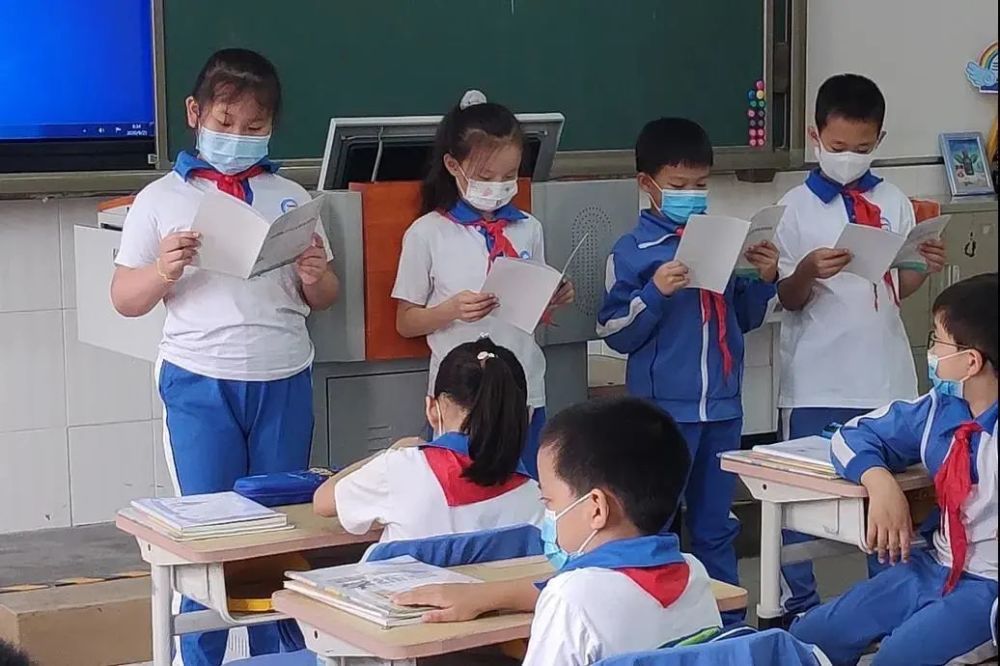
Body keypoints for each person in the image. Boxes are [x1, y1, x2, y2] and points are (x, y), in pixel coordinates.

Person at [111, 48, 338, 665]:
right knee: (209, 534)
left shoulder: (290, 195)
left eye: (255, 127)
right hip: (200, 381)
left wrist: (316, 274)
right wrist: (162, 270)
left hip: (283, 373)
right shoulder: (159, 198)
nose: (239, 137)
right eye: (226, 122)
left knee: (280, 534)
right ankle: (200, 656)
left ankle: (280, 654)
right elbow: (124, 298)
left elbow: (323, 297)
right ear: (195, 113)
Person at [773, 73, 947, 615]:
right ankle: (800, 612)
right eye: (839, 147)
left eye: (864, 148)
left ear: (881, 139)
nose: (850, 157)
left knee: (892, 505)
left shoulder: (893, 198)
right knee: (799, 505)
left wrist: (922, 266)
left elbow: (897, 288)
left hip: (885, 374)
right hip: (816, 376)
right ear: (815, 134)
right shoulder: (794, 206)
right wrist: (804, 270)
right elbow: (787, 297)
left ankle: (889, 608)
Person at [596, 117, 778, 621]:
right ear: (646, 184)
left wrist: (763, 278)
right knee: (655, 523)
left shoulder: (720, 238)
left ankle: (729, 628)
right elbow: (613, 330)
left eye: (701, 185)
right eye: (678, 187)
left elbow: (743, 317)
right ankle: (657, 626)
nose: (692, 195)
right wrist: (655, 292)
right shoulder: (633, 252)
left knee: (716, 525)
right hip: (662, 413)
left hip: (722, 407)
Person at [393, 397, 723, 665]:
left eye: (549, 501)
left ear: (596, 508)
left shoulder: (570, 597)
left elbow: (580, 600)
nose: (548, 514)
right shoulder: (694, 574)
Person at [790, 273, 998, 666]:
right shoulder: (940, 409)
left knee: (896, 658)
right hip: (934, 567)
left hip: (988, 587)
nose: (932, 352)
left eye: (938, 341)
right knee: (809, 638)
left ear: (971, 362)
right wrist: (879, 480)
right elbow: (851, 436)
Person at [392, 90, 574, 479]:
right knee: (457, 488)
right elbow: (405, 321)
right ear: (453, 166)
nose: (499, 185)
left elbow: (531, 313)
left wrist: (552, 297)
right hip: (460, 395)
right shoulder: (428, 233)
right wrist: (451, 310)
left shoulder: (528, 228)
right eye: (485, 177)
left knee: (524, 489)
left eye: (509, 176)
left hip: (523, 384)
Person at [313, 337, 543, 541]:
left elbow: (323, 501)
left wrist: (388, 453)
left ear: (433, 408)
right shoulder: (538, 499)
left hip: (401, 589)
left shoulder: (402, 469)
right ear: (527, 415)